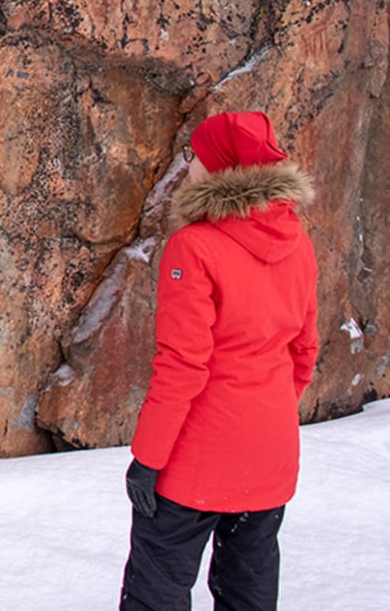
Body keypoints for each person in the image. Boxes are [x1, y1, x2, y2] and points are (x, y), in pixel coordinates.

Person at [120, 111, 321, 610]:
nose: (187, 166)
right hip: (270, 454)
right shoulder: (297, 241)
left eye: (194, 156)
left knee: (157, 593)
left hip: (194, 461)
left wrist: (147, 459)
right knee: (248, 593)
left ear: (219, 168)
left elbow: (182, 365)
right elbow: (304, 350)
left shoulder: (194, 246)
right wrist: (263, 411)